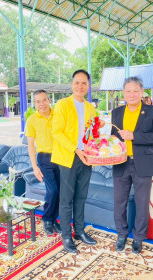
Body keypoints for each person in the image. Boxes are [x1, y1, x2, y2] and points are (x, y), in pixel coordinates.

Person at [111, 76, 153, 254]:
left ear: (142, 92)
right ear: (123, 93)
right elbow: (114, 136)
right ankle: (121, 234)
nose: (132, 94)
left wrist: (134, 136)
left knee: (141, 203)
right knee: (119, 202)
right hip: (120, 163)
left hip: (143, 162)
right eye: (128, 91)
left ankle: (139, 238)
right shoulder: (117, 112)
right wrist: (110, 140)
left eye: (135, 91)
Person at [51, 69, 98, 254]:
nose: (80, 86)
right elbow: (57, 132)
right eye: (77, 82)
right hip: (68, 157)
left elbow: (92, 133)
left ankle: (79, 231)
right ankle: (66, 236)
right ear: (72, 85)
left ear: (88, 86)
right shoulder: (62, 105)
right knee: (66, 199)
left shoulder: (90, 107)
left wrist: (94, 147)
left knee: (81, 196)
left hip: (86, 158)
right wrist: (76, 149)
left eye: (84, 83)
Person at [25, 90, 61, 236]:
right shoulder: (32, 120)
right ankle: (47, 219)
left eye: (44, 100)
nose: (42, 104)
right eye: (38, 101)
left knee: (60, 191)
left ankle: (54, 220)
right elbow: (30, 146)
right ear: (35, 103)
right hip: (44, 159)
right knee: (52, 190)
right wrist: (35, 167)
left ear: (49, 100)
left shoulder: (58, 116)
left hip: (60, 157)